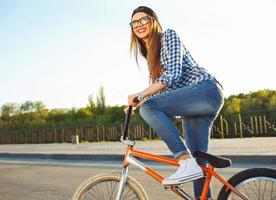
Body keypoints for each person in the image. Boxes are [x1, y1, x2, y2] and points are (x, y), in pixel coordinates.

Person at [127, 6, 224, 199]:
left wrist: (142, 97)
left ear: (153, 20)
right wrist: (138, 101)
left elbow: (172, 74)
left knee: (149, 108)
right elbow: (163, 90)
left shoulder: (168, 36)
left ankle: (184, 161)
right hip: (195, 107)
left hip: (206, 90)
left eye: (143, 19)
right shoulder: (151, 56)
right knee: (199, 165)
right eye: (134, 23)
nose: (139, 25)